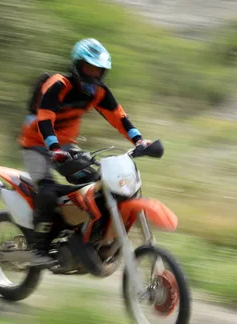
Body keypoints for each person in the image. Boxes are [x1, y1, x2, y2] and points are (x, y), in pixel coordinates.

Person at [17, 38, 152, 267]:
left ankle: (86, 237)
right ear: (77, 65)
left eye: (98, 70)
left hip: (66, 147)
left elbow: (119, 117)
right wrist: (54, 148)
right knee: (48, 192)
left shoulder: (97, 92)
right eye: (89, 68)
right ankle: (39, 247)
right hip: (37, 145)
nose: (93, 74)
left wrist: (139, 140)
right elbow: (45, 118)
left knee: (98, 185)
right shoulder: (58, 84)